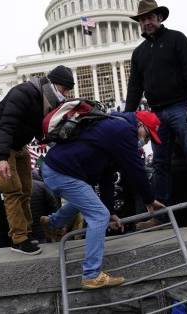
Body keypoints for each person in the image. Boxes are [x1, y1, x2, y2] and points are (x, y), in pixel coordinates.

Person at [124, 0, 187, 232]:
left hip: (180, 106)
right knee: (160, 164)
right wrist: (129, 117)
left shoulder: (176, 39)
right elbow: (134, 87)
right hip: (156, 113)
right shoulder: (139, 53)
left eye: (150, 17)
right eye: (142, 19)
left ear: (159, 18)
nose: (146, 22)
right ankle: (160, 216)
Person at [40, 111, 164, 289]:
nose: (146, 141)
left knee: (86, 202)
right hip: (63, 172)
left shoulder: (113, 127)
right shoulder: (124, 131)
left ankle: (53, 223)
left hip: (59, 168)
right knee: (98, 215)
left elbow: (107, 176)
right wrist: (149, 200)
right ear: (140, 125)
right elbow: (136, 169)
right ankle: (91, 275)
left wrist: (111, 211)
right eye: (148, 135)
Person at [0, 65, 74, 255]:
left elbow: (42, 132)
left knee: (26, 189)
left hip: (18, 144)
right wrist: (2, 158)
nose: (65, 95)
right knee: (11, 189)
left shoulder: (47, 99)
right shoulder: (23, 93)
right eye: (64, 90)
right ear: (55, 85)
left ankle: (27, 231)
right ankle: (19, 239)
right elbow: (6, 125)